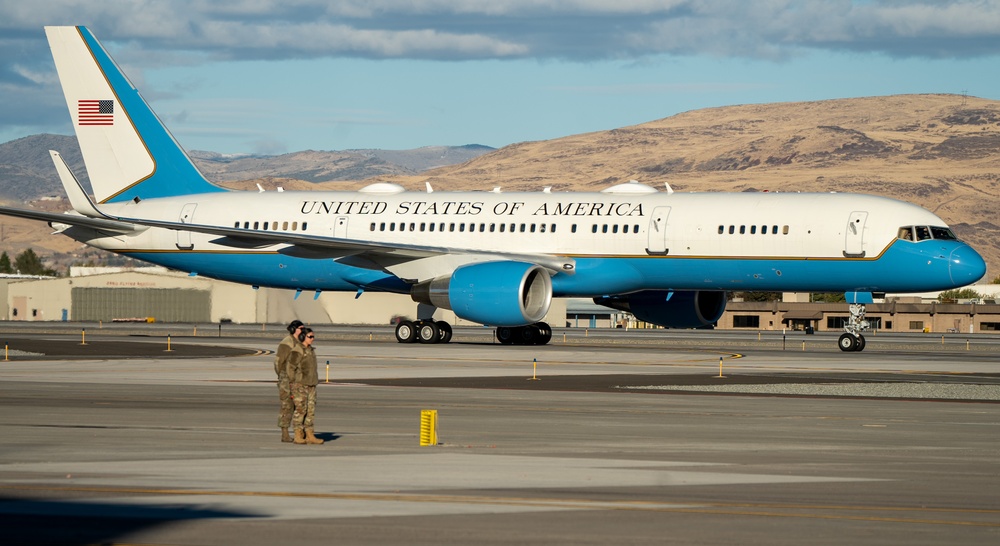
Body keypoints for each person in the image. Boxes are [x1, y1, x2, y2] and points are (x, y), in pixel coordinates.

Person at [287, 327, 323, 445]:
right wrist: (294, 382)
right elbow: (290, 367)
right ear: (303, 337)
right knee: (301, 410)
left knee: (310, 410)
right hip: (300, 385)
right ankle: (298, 434)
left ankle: (310, 434)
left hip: (311, 384)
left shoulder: (311, 350)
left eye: (313, 337)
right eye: (310, 337)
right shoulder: (297, 350)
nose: (312, 339)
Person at [274, 320, 303, 443]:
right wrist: (282, 376)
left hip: (298, 378)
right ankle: (285, 433)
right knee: (287, 406)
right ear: (293, 330)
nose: (303, 331)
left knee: (300, 406)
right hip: (286, 378)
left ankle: (299, 432)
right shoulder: (287, 343)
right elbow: (278, 362)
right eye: (300, 328)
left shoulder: (300, 343)